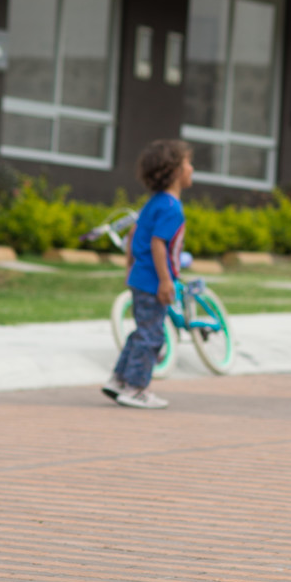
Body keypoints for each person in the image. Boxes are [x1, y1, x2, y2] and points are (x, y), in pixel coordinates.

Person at [104, 139, 192, 412]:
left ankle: (119, 380)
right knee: (152, 337)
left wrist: (129, 268)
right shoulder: (172, 208)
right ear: (175, 172)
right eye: (188, 163)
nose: (192, 168)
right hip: (154, 281)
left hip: (140, 278)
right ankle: (137, 389)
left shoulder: (154, 203)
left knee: (142, 333)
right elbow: (158, 244)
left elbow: (133, 234)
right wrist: (165, 281)